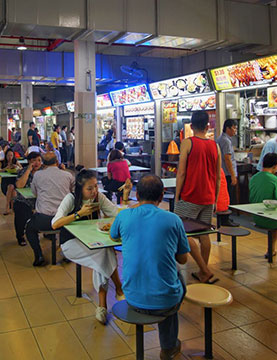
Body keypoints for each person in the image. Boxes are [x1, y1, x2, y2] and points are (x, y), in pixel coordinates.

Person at [110, 175, 188, 359]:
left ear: (137, 194)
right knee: (177, 279)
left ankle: (168, 342)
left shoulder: (124, 215)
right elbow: (183, 259)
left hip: (132, 297)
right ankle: (168, 347)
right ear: (162, 196)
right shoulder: (173, 219)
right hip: (165, 301)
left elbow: (114, 236)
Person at [51, 170, 125, 324]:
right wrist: (78, 214)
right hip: (70, 244)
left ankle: (102, 306)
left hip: (93, 242)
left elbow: (115, 213)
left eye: (95, 187)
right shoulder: (71, 199)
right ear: (80, 189)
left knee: (103, 253)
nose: (94, 191)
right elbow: (55, 224)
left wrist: (128, 202)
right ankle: (118, 287)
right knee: (104, 253)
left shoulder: (99, 197)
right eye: (89, 189)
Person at [174, 111, 221, 284]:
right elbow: (217, 176)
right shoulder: (215, 146)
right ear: (208, 126)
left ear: (191, 126)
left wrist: (178, 195)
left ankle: (203, 269)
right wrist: (214, 199)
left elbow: (181, 172)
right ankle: (203, 271)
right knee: (204, 234)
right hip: (208, 197)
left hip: (190, 195)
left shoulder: (187, 143)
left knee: (181, 232)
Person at [25, 153, 75, 266]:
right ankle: (68, 254)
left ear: (43, 163)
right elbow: (73, 192)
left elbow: (34, 192)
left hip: (44, 220)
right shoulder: (67, 175)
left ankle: (39, 255)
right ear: (57, 162)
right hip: (64, 220)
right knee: (70, 227)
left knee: (29, 228)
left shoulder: (38, 175)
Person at [14, 152, 43, 246]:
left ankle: (47, 232)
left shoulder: (43, 172)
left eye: (39, 160)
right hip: (24, 200)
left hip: (40, 201)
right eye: (34, 160)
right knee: (20, 211)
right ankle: (20, 235)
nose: (37, 163)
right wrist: (28, 171)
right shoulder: (23, 171)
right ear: (29, 162)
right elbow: (19, 185)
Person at [217, 119, 238, 227]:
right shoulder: (225, 140)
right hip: (227, 174)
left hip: (223, 173)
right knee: (226, 196)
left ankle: (225, 218)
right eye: (234, 128)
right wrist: (233, 175)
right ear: (228, 128)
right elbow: (227, 158)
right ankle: (225, 219)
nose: (235, 130)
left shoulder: (221, 139)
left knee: (224, 196)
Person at [0, 149, 21, 215]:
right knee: (11, 188)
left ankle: (8, 207)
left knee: (12, 188)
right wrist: (6, 168)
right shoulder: (2, 161)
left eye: (11, 155)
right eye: (8, 156)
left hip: (13, 181)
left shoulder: (15, 161)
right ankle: (10, 207)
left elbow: (21, 169)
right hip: (5, 182)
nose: (10, 157)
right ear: (5, 156)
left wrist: (17, 167)